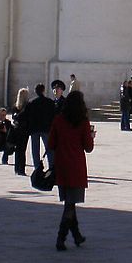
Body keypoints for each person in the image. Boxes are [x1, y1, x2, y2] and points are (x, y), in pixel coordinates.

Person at [48, 90, 95, 250]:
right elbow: (88, 147)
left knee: (70, 201)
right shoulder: (83, 122)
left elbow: (51, 144)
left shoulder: (58, 120)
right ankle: (61, 238)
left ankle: (77, 236)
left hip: (62, 164)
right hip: (76, 165)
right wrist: (91, 136)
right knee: (70, 203)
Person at [26, 83, 56, 170]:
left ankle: (37, 167)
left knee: (35, 150)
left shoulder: (32, 102)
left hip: (34, 129)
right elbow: (53, 115)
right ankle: (51, 167)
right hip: (46, 128)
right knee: (49, 148)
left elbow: (28, 116)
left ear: (35, 91)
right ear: (43, 90)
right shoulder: (50, 102)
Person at [11, 87, 30, 176]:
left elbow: (13, 117)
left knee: (18, 149)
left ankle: (16, 168)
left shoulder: (16, 106)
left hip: (17, 128)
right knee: (22, 150)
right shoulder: (28, 106)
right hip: (24, 130)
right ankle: (21, 169)